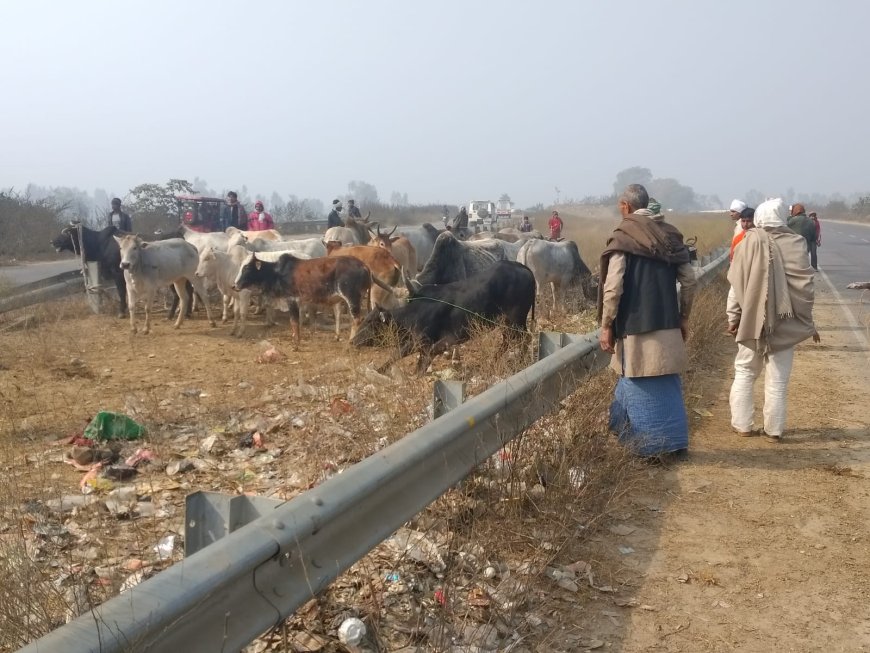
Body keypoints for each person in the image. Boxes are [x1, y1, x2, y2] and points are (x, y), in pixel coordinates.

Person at [598, 184, 697, 460]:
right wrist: (684, 317)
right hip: (668, 325)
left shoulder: (623, 237)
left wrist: (606, 325)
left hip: (635, 331)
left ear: (626, 207)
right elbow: (689, 282)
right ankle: (675, 444)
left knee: (638, 382)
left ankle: (648, 448)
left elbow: (613, 287)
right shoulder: (671, 236)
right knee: (666, 382)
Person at [727, 198, 820, 442]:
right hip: (785, 322)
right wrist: (806, 320)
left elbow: (736, 286)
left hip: (751, 319)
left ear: (759, 217)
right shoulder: (797, 244)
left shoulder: (746, 243)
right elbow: (806, 288)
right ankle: (774, 431)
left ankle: (743, 425)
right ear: (782, 218)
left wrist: (734, 317)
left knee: (745, 372)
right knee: (778, 380)